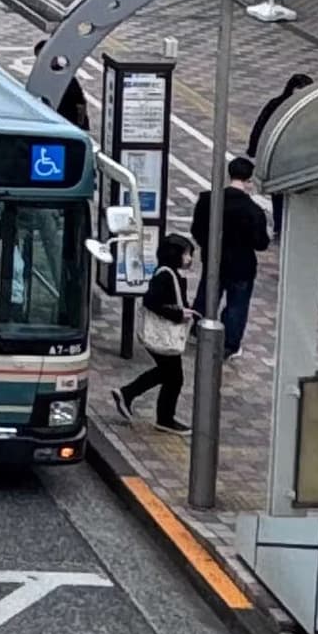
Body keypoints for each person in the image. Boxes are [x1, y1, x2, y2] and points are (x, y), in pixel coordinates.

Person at [117, 231, 201, 430]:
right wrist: (177, 315)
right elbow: (152, 301)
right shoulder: (165, 275)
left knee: (168, 374)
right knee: (174, 377)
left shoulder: (170, 274)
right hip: (162, 333)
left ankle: (128, 394)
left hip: (162, 333)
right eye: (186, 254)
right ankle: (163, 418)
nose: (189, 259)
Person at [194, 155, 273, 360]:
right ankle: (229, 344)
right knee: (237, 305)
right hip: (242, 264)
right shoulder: (254, 211)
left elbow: (196, 230)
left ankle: (197, 328)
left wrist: (208, 246)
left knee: (207, 294)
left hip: (213, 259)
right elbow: (261, 243)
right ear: (249, 180)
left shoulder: (207, 200)